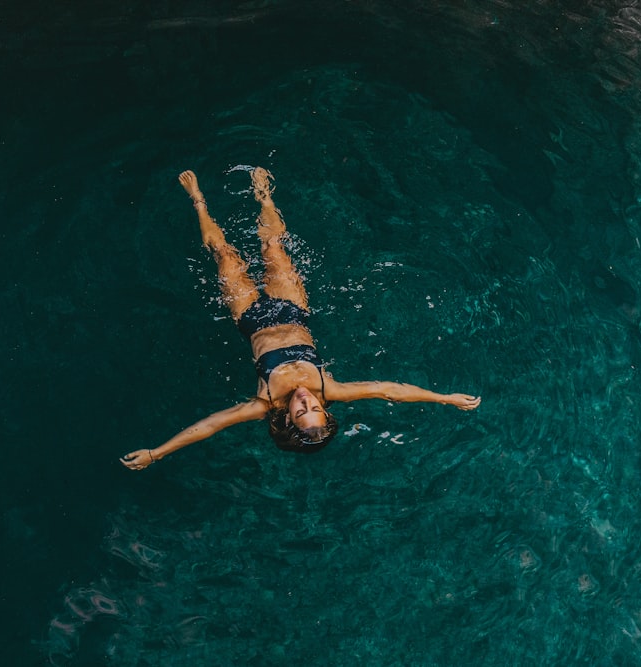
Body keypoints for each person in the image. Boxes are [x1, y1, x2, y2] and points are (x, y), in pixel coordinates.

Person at [121, 168, 480, 470]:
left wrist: (157, 453)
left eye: (301, 409)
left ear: (286, 419)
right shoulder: (331, 390)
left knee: (223, 254)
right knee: (273, 247)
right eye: (315, 408)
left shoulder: (263, 404)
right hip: (292, 310)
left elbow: (210, 426)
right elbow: (391, 390)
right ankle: (263, 195)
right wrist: (444, 398)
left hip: (251, 318)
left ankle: (197, 199)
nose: (307, 399)